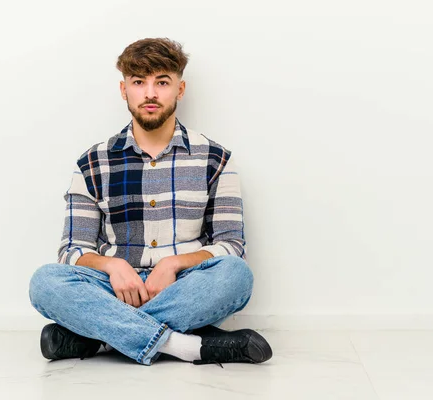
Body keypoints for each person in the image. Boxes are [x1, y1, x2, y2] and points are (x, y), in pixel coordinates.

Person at [28, 38, 272, 366]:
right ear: (123, 89)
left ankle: (100, 339)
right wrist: (113, 266)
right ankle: (186, 346)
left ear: (180, 89)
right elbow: (72, 250)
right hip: (112, 288)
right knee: (45, 283)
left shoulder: (215, 159)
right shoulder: (92, 162)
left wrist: (173, 264)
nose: (150, 93)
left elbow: (231, 246)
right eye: (139, 82)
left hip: (182, 285)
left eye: (162, 82)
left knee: (235, 276)